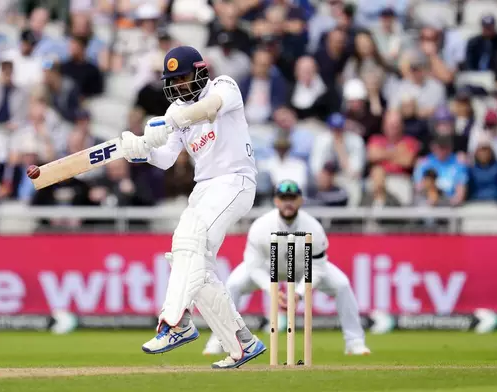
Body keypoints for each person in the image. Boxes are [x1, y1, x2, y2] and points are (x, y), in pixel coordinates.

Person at [119, 46, 264, 369]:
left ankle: (175, 322)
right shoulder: (174, 112)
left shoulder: (224, 86)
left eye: (184, 77)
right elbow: (166, 158)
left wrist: (172, 121)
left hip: (235, 181)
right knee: (190, 261)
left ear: (200, 71)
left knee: (190, 244)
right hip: (204, 190)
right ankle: (242, 342)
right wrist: (139, 150)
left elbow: (209, 109)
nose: (181, 85)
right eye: (174, 81)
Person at [202, 180, 371, 356]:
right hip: (267, 268)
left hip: (303, 268)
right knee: (233, 285)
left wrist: (298, 293)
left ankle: (355, 342)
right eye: (283, 198)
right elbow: (253, 267)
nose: (288, 202)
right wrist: (272, 289)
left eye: (292, 198)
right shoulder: (261, 227)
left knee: (342, 285)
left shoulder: (314, 228)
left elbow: (318, 268)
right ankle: (218, 340)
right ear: (276, 201)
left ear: (300, 200)